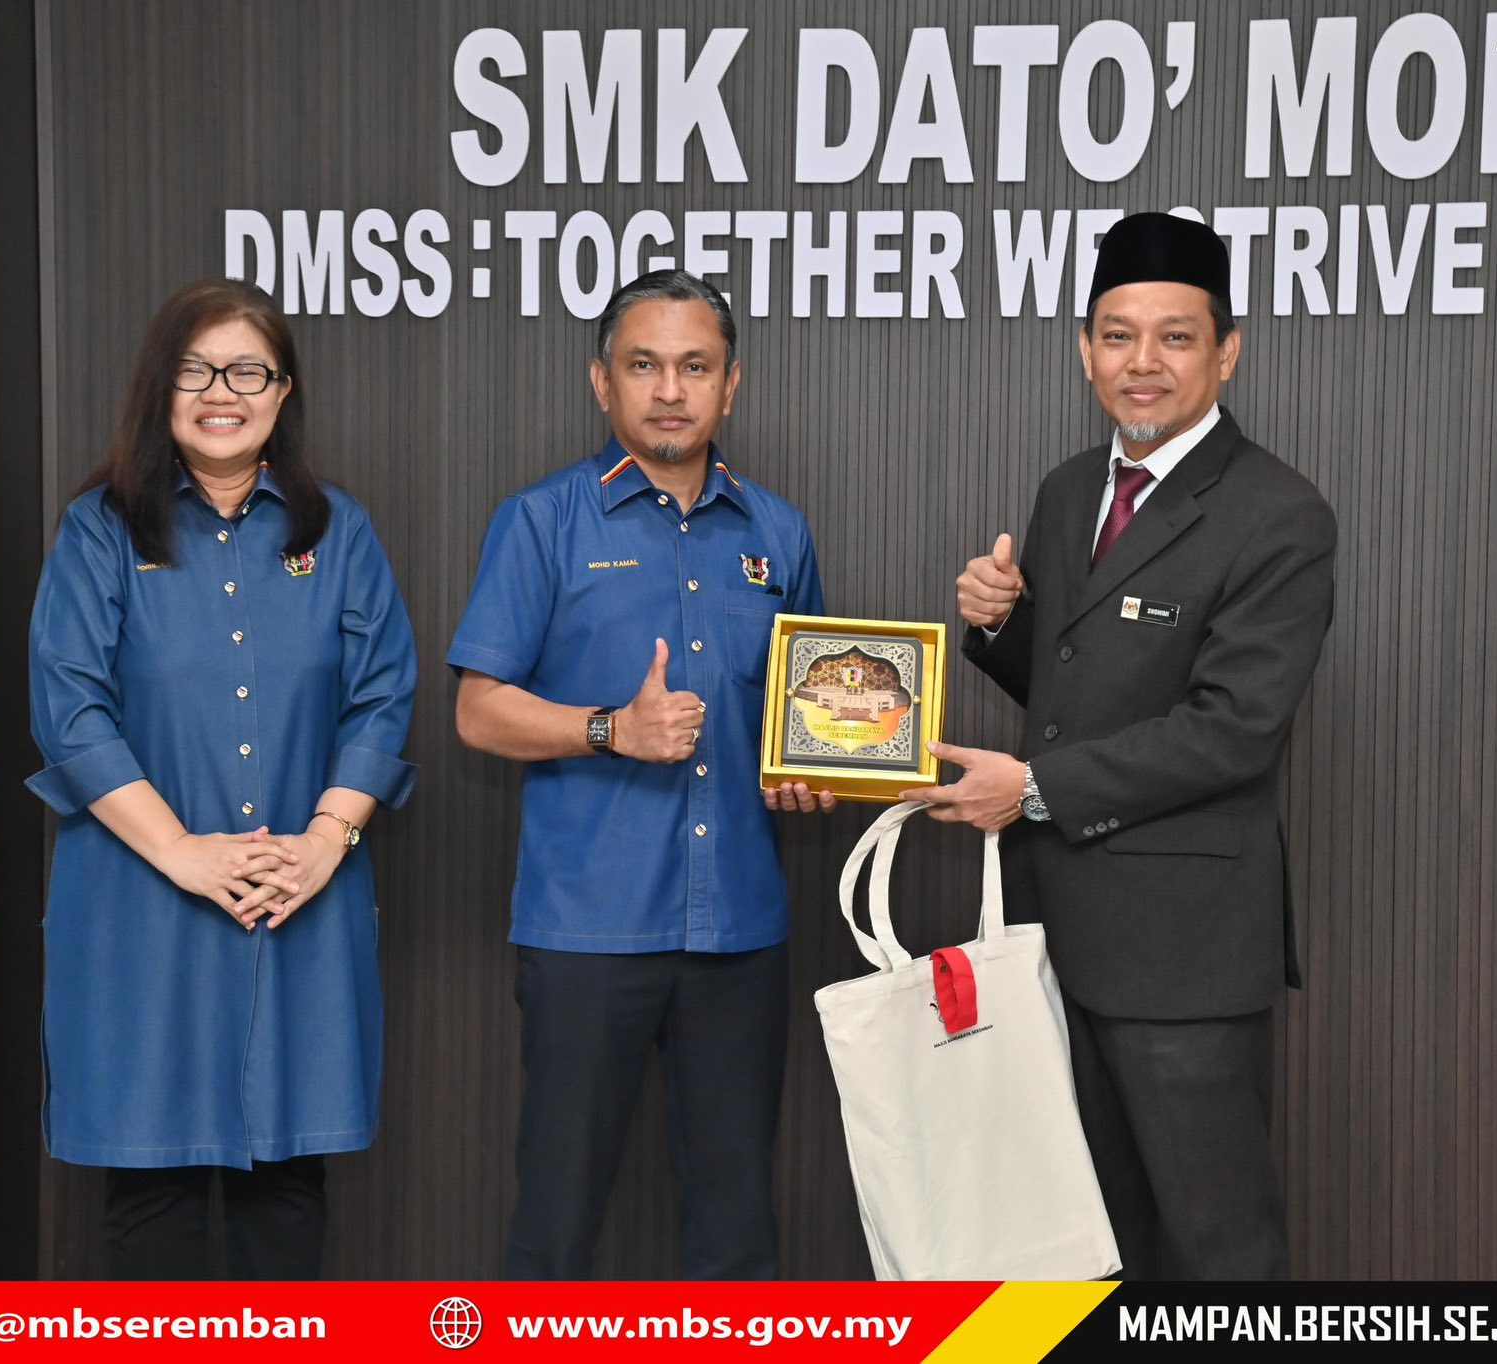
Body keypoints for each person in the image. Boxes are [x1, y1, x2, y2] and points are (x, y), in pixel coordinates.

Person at [905, 212, 1337, 1279]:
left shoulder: (1278, 513)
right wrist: (1000, 626)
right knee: (1081, 1248)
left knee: (1218, 1249)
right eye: (1117, 335)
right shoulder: (1067, 491)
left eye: (1175, 336)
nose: (1142, 362)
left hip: (1182, 953)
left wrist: (1031, 789)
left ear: (1225, 352)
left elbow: (1231, 730)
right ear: (1084, 349)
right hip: (1052, 936)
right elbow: (1079, 695)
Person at [26, 277, 417, 1279]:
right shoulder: (100, 530)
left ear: (282, 393)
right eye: (196, 370)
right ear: (159, 388)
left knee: (284, 1194)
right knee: (148, 1197)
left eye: (248, 371)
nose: (221, 392)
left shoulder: (338, 532)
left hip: (298, 899)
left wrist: (326, 842)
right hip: (143, 905)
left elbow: (381, 698)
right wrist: (181, 851)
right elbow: (70, 714)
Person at [450, 269, 834, 1279]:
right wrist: (609, 728)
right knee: (556, 1223)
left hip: (738, 931)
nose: (670, 390)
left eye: (694, 366)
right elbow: (477, 710)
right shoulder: (541, 521)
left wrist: (811, 773)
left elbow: (805, 720)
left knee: (736, 1232)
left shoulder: (779, 533)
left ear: (730, 384)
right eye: (644, 365)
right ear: (602, 380)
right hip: (588, 931)